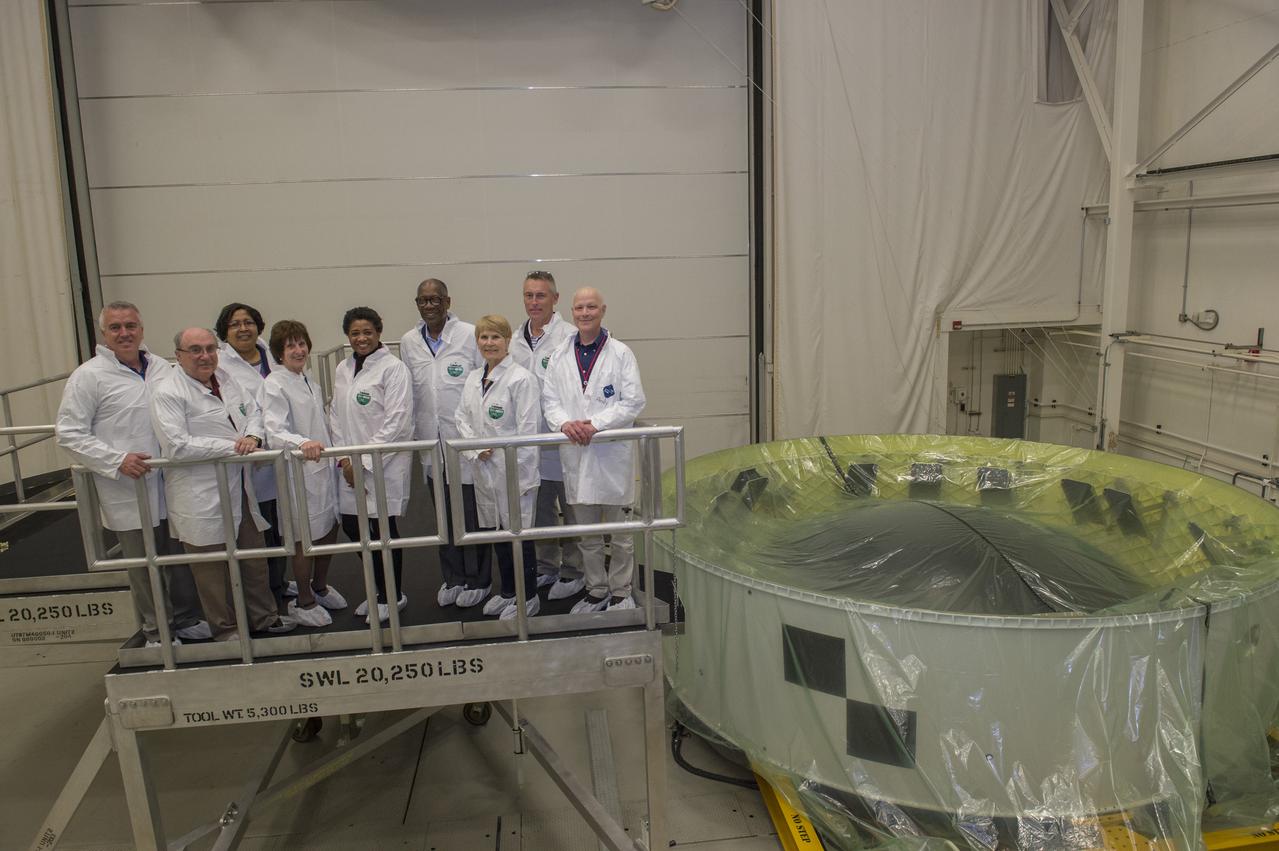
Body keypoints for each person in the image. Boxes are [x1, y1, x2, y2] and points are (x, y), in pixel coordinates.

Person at [55, 302, 210, 648]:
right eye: (115, 327)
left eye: (131, 325)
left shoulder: (163, 368)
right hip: (127, 484)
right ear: (104, 334)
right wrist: (116, 459)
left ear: (141, 329)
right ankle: (157, 630)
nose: (124, 333)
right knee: (144, 564)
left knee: (178, 556)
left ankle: (184, 618)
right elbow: (69, 432)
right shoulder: (89, 376)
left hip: (170, 481)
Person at [150, 327, 294, 639]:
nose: (205, 356)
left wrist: (254, 436)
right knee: (211, 571)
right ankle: (226, 630)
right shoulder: (168, 392)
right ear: (178, 356)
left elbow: (254, 412)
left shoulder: (226, 379)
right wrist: (234, 447)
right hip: (199, 494)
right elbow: (177, 445)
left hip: (239, 486)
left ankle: (265, 619)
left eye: (210, 348)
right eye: (196, 350)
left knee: (253, 558)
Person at [541, 288, 647, 613]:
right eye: (579, 308)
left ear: (602, 310)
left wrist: (595, 424)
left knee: (620, 535)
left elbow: (634, 401)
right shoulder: (559, 355)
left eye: (591, 307)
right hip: (576, 454)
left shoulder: (621, 354)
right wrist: (564, 424)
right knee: (586, 534)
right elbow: (550, 401)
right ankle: (596, 590)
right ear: (572, 312)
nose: (585, 313)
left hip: (611, 456)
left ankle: (620, 592)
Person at [398, 279, 490, 608]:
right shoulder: (409, 342)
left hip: (463, 440)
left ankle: (479, 579)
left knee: (470, 511)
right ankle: (453, 577)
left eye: (435, 299)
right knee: (443, 516)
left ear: (448, 301)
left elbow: (484, 382)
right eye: (423, 300)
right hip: (430, 440)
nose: (429, 306)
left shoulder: (468, 334)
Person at [262, 319, 348, 628]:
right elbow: (274, 432)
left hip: (322, 470)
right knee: (303, 538)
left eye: (301, 344)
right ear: (278, 353)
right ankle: (303, 600)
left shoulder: (307, 377)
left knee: (327, 530)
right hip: (298, 471)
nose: (298, 350)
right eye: (290, 346)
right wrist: (303, 443)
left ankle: (319, 586)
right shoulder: (275, 383)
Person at [455, 315, 542, 620]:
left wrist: (516, 474)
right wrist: (476, 449)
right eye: (483, 337)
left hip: (514, 473)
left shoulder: (521, 379)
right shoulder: (472, 378)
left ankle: (528, 596)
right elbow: (460, 418)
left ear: (507, 341)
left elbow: (528, 432)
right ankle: (508, 592)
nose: (489, 343)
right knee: (496, 533)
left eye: (495, 337)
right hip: (484, 470)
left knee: (519, 535)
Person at [331, 307, 413, 623]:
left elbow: (398, 421)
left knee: (382, 529)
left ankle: (391, 595)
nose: (361, 338)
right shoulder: (343, 368)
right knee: (354, 526)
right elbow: (335, 415)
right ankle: (377, 590)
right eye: (355, 333)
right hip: (348, 464)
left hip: (383, 464)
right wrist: (342, 458)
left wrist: (363, 461)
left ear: (378, 332)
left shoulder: (394, 369)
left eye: (367, 332)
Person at [509, 271, 584, 601]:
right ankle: (546, 565)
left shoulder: (570, 336)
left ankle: (574, 569)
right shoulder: (513, 340)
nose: (534, 302)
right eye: (529, 296)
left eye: (541, 296)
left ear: (555, 299)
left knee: (572, 509)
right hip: (530, 443)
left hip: (564, 441)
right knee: (539, 509)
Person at [214, 302, 288, 616]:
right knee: (256, 530)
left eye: (248, 322)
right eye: (234, 324)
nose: (243, 329)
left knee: (282, 524)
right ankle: (262, 596)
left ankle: (280, 584)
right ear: (225, 332)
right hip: (247, 458)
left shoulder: (273, 356)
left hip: (280, 453)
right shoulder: (219, 363)